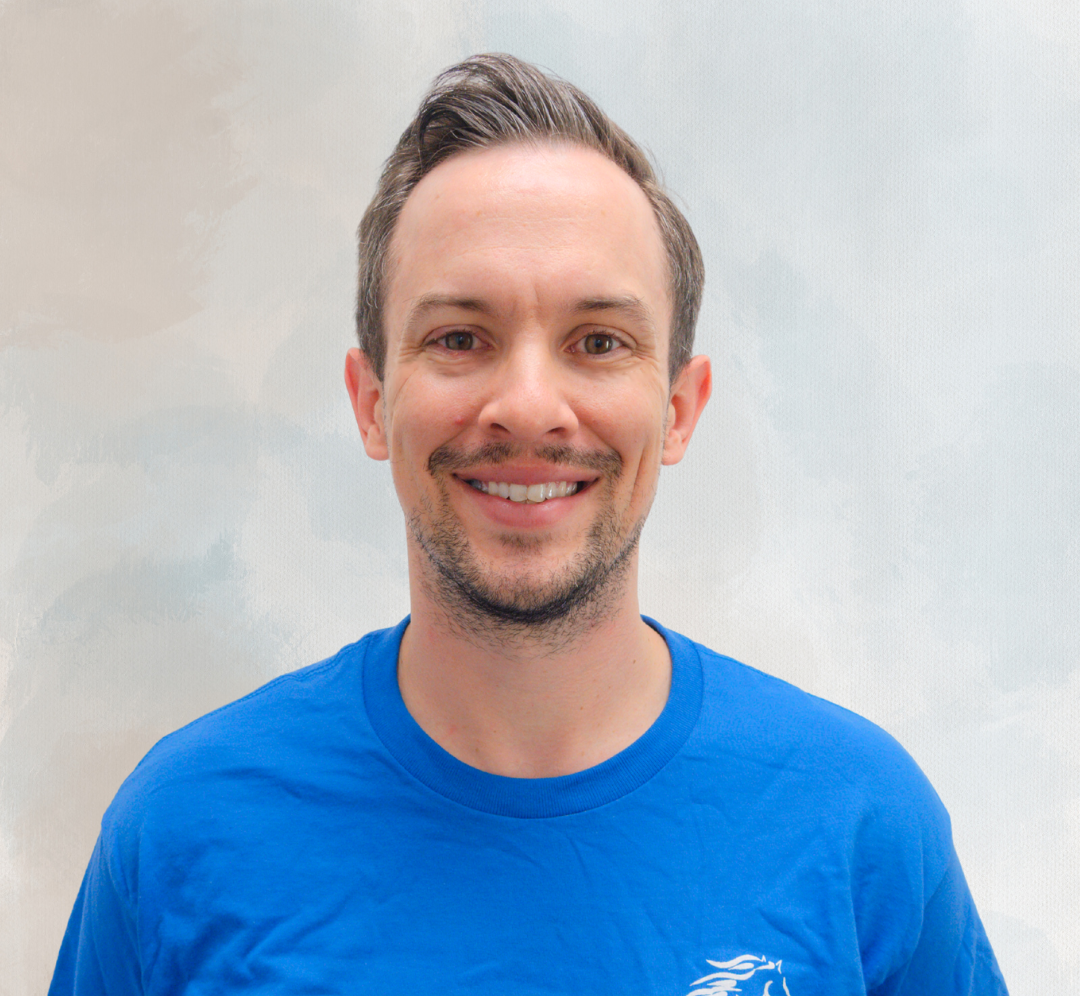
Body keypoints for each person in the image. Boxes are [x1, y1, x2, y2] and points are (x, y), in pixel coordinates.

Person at [50, 54, 1008, 995]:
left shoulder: (859, 824)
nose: (529, 407)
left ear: (679, 409)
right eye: (460, 338)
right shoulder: (182, 832)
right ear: (372, 401)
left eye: (599, 342)